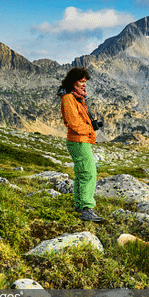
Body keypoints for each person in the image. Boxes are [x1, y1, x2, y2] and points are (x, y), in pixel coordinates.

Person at [58, 67, 104, 222]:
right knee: (88, 174)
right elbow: (73, 123)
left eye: (85, 82)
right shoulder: (68, 98)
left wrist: (91, 126)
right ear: (73, 82)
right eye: (81, 82)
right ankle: (86, 208)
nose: (84, 85)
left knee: (81, 174)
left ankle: (79, 205)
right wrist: (90, 130)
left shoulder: (76, 98)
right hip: (79, 141)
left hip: (81, 141)